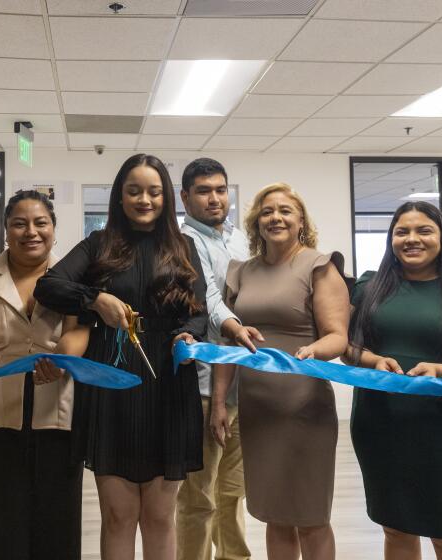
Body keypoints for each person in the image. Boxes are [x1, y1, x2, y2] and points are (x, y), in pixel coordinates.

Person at [34, 154, 207, 560]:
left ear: (166, 197)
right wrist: (96, 300)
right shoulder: (99, 243)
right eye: (133, 191)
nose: (143, 199)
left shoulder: (185, 247)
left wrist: (188, 335)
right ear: (119, 197)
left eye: (153, 191)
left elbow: (198, 313)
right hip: (111, 381)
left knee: (161, 516)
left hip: (169, 379)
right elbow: (49, 286)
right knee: (118, 513)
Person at [347, 201, 442, 560]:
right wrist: (372, 359)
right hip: (379, 425)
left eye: (423, 231)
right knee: (395, 527)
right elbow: (348, 348)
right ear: (391, 239)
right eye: (402, 231)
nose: (411, 239)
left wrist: (441, 370)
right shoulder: (369, 288)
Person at [0, 190, 86, 560]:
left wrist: (64, 357)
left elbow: (77, 331)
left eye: (41, 223)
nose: (31, 232)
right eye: (19, 223)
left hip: (58, 416)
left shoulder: (71, 278)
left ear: (54, 229)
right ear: (6, 229)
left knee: (58, 529)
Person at [211, 183, 350, 560]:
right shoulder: (241, 272)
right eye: (268, 211)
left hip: (305, 408)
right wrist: (219, 402)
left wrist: (311, 351)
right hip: (259, 411)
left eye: (285, 211)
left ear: (300, 220)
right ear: (256, 222)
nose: (276, 217)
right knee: (274, 514)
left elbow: (338, 337)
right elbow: (228, 345)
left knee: (311, 515)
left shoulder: (319, 266)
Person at [176, 158, 261, 560]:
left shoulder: (239, 239)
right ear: (185, 197)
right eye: (204, 190)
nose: (215, 198)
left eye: (221, 189)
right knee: (199, 495)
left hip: (245, 384)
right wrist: (235, 327)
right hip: (205, 387)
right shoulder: (181, 241)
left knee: (232, 493)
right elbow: (208, 297)